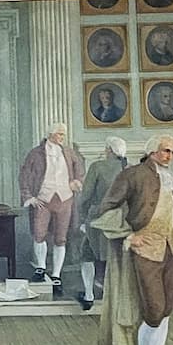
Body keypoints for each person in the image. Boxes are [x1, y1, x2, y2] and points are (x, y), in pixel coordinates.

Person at [99, 133, 173, 345]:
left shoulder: (171, 177)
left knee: (166, 308)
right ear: (152, 151)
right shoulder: (133, 174)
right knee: (153, 308)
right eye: (165, 151)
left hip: (170, 247)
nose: (169, 156)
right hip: (145, 249)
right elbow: (107, 207)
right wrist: (128, 235)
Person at [19, 120, 85, 294]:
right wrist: (29, 196)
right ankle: (40, 267)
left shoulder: (70, 153)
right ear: (50, 135)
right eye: (59, 134)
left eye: (63, 134)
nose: (62, 137)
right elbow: (24, 175)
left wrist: (77, 182)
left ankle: (56, 274)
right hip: (43, 199)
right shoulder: (36, 153)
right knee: (39, 234)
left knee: (61, 238)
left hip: (64, 199)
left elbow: (79, 172)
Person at [70, 133, 127, 311]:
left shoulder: (97, 167)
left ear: (109, 150)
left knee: (87, 254)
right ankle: (118, 299)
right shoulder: (130, 169)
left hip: (98, 218)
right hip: (121, 220)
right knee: (116, 257)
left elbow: (86, 196)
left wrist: (81, 217)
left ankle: (88, 295)